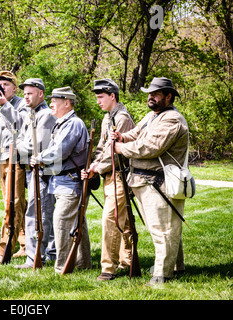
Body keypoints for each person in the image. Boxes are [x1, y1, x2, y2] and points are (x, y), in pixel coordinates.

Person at [111, 77, 188, 286]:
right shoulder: (153, 116)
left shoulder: (172, 119)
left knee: (161, 229)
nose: (150, 97)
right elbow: (136, 134)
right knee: (166, 227)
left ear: (168, 96)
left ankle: (161, 275)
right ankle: (176, 266)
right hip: (146, 180)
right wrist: (122, 137)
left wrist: (121, 149)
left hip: (158, 181)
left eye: (155, 94)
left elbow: (150, 147)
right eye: (149, 94)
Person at [31, 87, 92, 273]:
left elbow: (60, 151)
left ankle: (62, 267)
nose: (50, 104)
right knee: (76, 224)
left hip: (70, 182)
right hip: (64, 181)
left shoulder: (73, 123)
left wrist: (40, 157)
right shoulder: (63, 123)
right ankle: (83, 263)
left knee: (61, 223)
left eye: (55, 101)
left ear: (67, 102)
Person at [83, 79, 136, 281]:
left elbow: (117, 153)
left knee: (111, 220)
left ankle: (108, 268)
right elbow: (102, 148)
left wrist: (97, 168)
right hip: (109, 175)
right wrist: (92, 165)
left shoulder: (121, 118)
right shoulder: (108, 118)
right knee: (121, 220)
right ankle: (127, 260)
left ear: (112, 95)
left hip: (120, 175)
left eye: (100, 97)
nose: (98, 101)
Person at [13, 78, 57, 269]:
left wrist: (17, 146)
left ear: (40, 94)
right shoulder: (31, 114)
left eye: (29, 93)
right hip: (33, 170)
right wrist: (21, 144)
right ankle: (49, 253)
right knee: (44, 213)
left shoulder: (46, 115)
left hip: (42, 172)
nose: (25, 96)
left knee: (37, 214)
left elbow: (34, 145)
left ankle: (34, 257)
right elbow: (24, 139)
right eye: (24, 93)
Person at [0, 71, 28, 264]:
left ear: (14, 87)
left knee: (12, 205)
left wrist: (5, 106)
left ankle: (3, 250)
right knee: (15, 203)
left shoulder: (22, 106)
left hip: (17, 160)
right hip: (4, 160)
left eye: (5, 84)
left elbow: (21, 126)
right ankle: (24, 244)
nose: (2, 88)